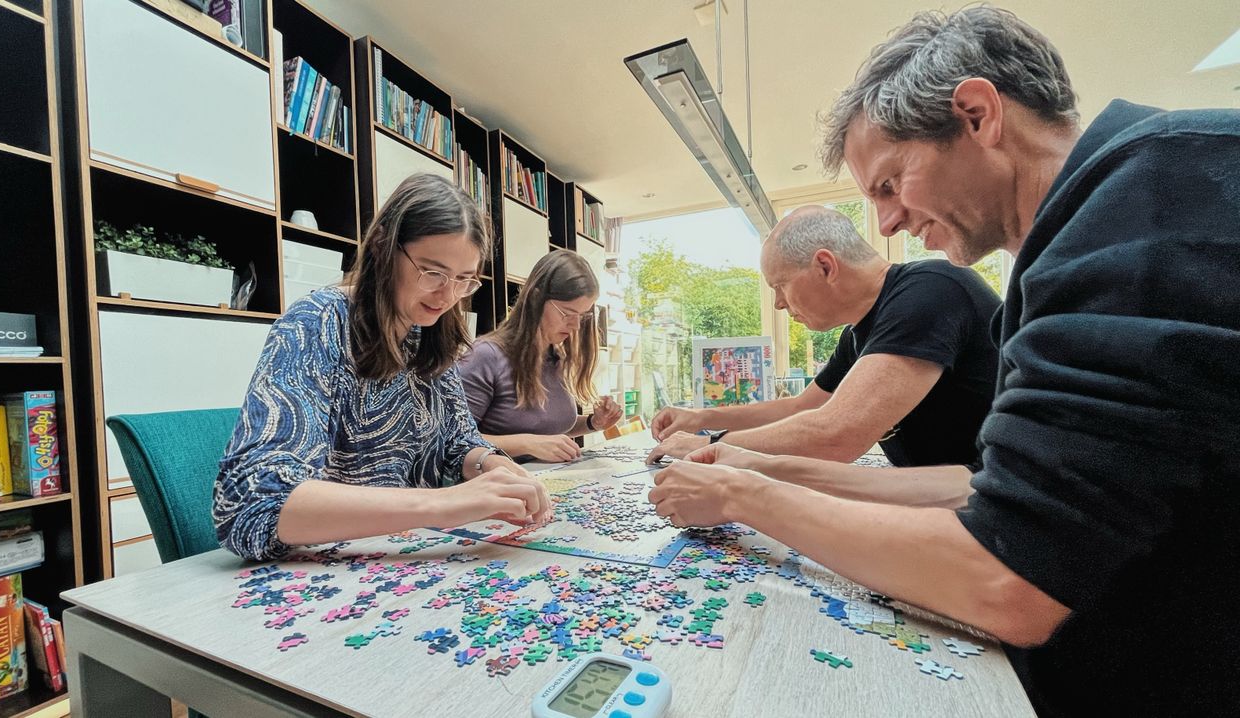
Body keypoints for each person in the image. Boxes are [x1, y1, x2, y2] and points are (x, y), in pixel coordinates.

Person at [648, 6, 1240, 715]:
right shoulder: (1080, 242)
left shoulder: (1151, 206)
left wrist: (742, 494)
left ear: (976, 115)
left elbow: (1008, 577)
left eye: (890, 183)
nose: (888, 222)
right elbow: (979, 488)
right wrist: (756, 465)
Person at [214, 173, 551, 562]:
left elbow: (458, 441)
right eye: (433, 272)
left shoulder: (428, 333)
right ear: (381, 246)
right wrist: (444, 504)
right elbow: (252, 502)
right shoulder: (317, 322)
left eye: (463, 280)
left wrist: (492, 466)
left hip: (404, 558)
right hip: (318, 566)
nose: (448, 295)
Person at [647, 206, 1000, 483]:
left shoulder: (930, 291)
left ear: (825, 266)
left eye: (780, 286)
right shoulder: (858, 334)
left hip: (997, 508)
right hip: (944, 492)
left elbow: (835, 435)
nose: (778, 304)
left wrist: (709, 445)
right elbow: (801, 408)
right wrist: (702, 418)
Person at [458, 250, 623, 462]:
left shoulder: (555, 356)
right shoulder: (485, 356)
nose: (575, 326)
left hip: (546, 479)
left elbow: (546, 426)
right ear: (536, 299)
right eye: (567, 313)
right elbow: (455, 440)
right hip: (497, 479)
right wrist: (527, 444)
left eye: (582, 316)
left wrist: (593, 422)